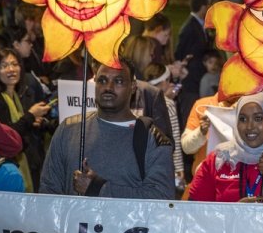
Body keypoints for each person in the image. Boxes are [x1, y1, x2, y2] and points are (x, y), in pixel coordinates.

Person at [39, 60, 175, 199]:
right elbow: (48, 191)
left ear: (133, 87)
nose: (108, 87)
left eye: (119, 81)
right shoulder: (69, 129)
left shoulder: (152, 139)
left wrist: (98, 188)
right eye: (102, 80)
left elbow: (162, 198)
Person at [0, 48, 52, 192]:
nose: (11, 69)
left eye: (15, 64)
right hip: (8, 167)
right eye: (4, 66)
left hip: (27, 161)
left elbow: (18, 125)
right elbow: (6, 136)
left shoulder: (15, 95)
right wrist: (30, 116)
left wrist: (32, 121)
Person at [145, 63, 185, 193]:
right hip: (163, 161)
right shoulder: (167, 104)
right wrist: (179, 169)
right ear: (163, 82)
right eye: (169, 80)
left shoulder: (138, 99)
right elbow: (174, 138)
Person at [174, 0, 211, 128]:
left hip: (197, 81)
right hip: (190, 84)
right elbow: (180, 54)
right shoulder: (189, 29)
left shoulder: (200, 26)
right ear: (203, 7)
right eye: (209, 5)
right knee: (188, 120)